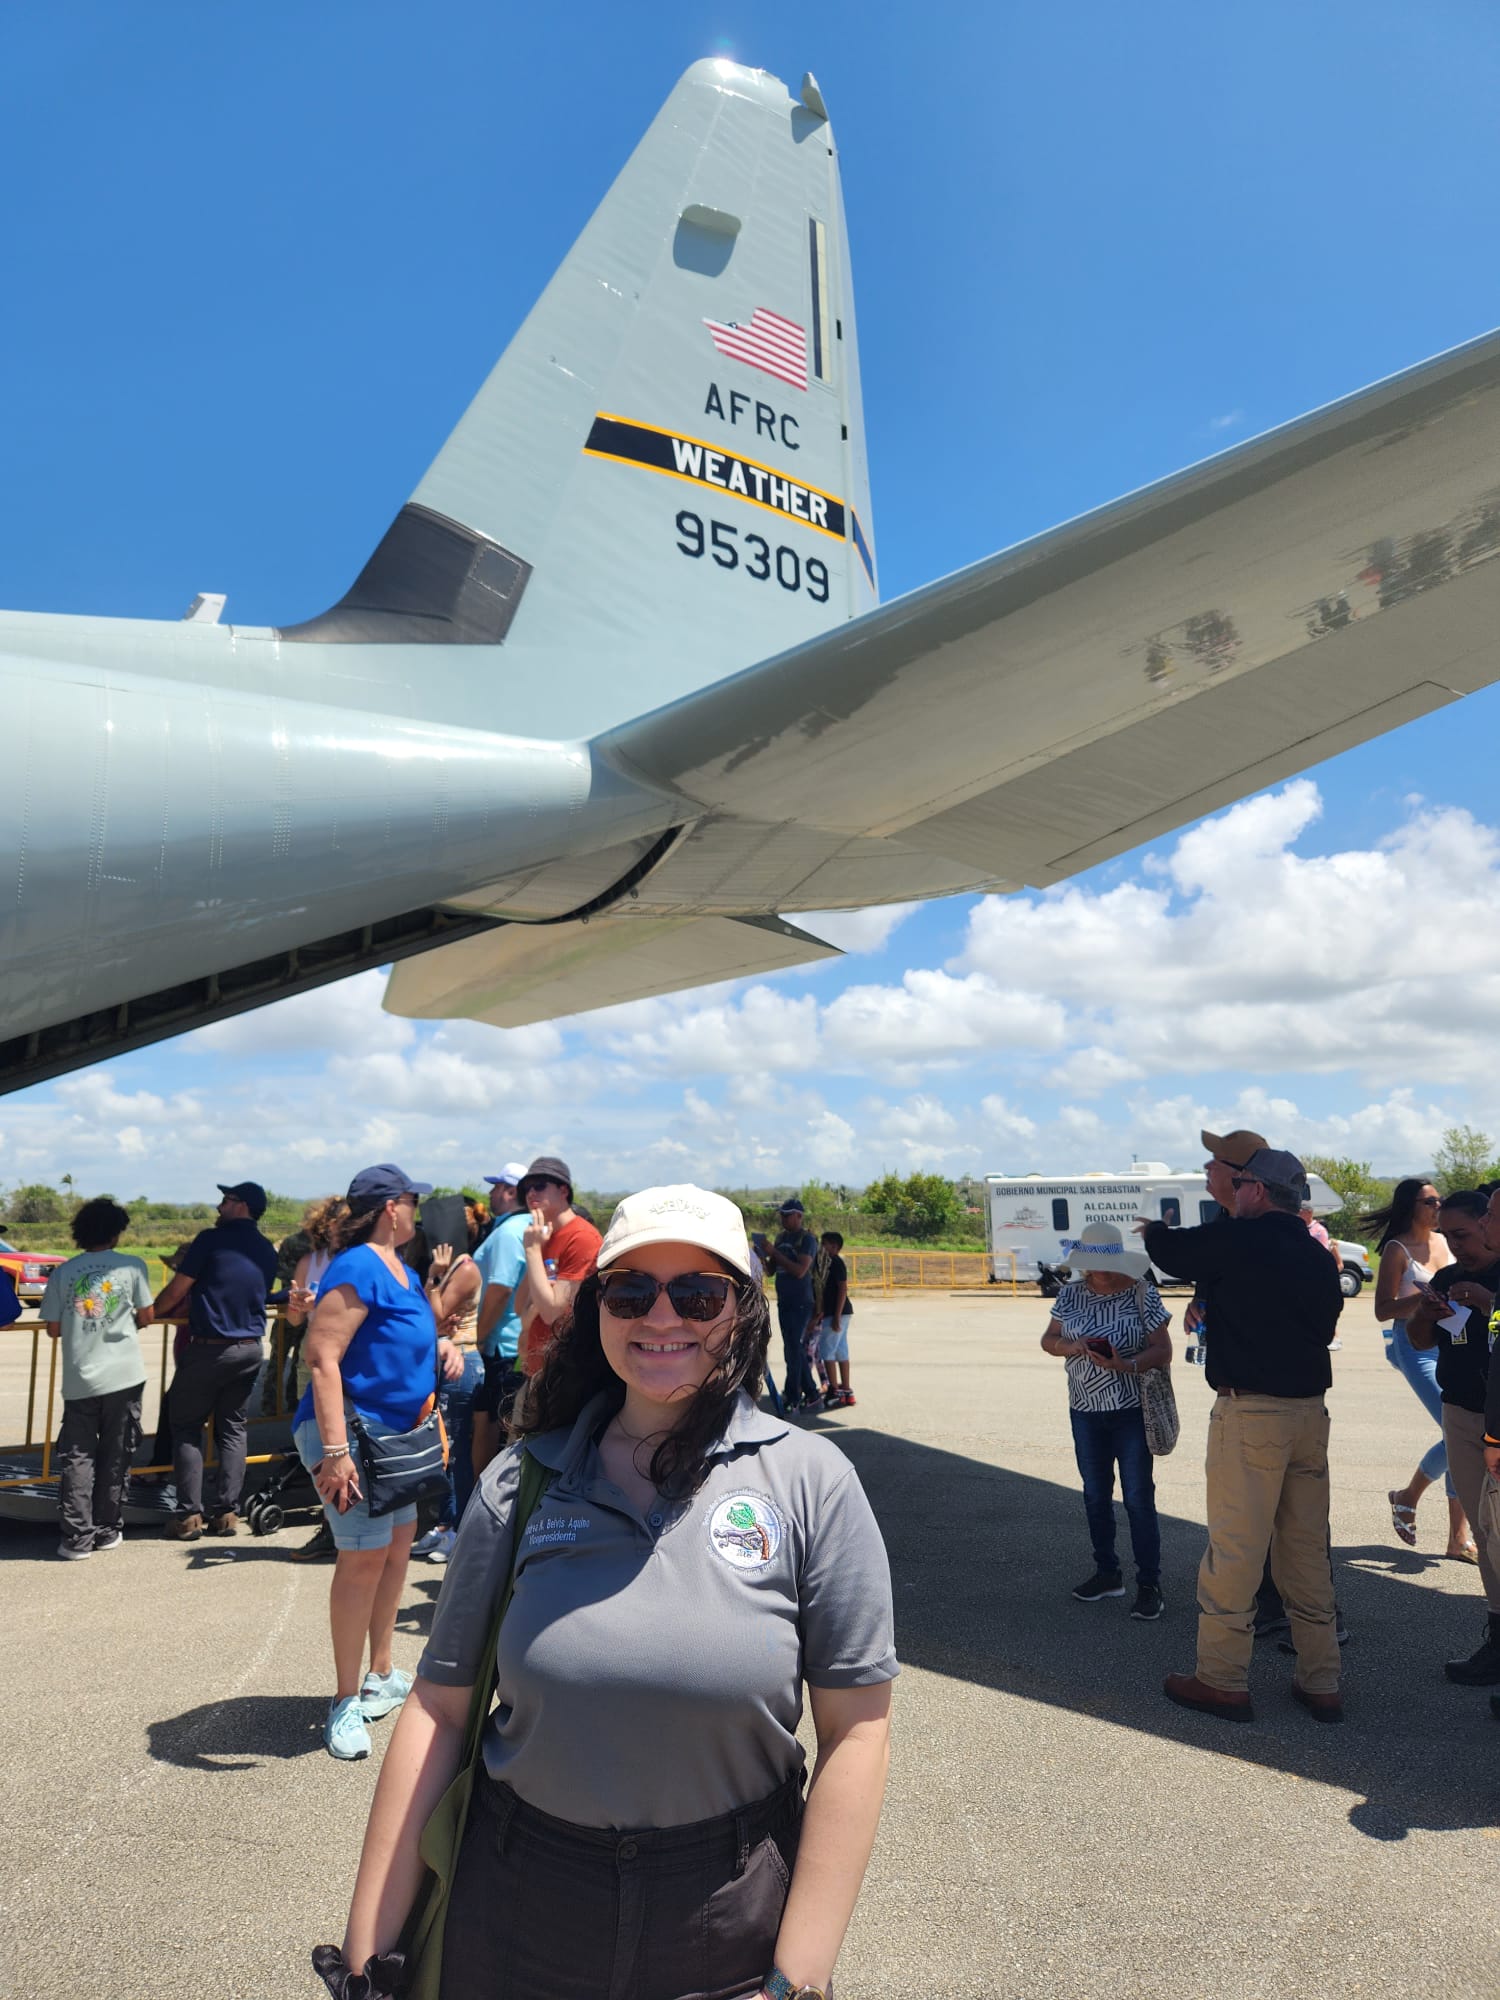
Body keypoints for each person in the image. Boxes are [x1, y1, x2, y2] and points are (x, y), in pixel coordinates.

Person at [322, 1183, 896, 2000]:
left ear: (742, 1311)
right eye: (631, 1292)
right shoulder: (522, 1480)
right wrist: (366, 1958)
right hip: (521, 1897)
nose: (661, 1318)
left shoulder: (813, 1482)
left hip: (727, 1917)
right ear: (598, 1308)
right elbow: (439, 1709)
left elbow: (857, 1734)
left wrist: (797, 1979)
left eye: (697, 1293)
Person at [1141, 1146, 1345, 1723]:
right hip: (1310, 1414)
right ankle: (1321, 1679)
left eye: (1240, 1185)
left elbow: (1172, 1252)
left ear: (1254, 1190)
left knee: (1235, 1548)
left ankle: (1223, 1679)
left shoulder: (1241, 1237)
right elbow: (1326, 1322)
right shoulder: (1314, 1252)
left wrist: (1154, 1225)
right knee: (1305, 1551)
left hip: (1252, 1413)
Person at [293, 1164, 464, 1761]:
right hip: (352, 1438)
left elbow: (408, 1334)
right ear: (392, 1206)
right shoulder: (361, 1264)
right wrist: (336, 1454)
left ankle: (383, 1672)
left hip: (397, 1436)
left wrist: (442, 1345)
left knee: (397, 1547)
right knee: (363, 1557)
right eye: (412, 1200)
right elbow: (322, 1357)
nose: (417, 1209)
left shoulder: (405, 1270)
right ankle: (344, 1701)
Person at [1040, 1223, 1171, 1621]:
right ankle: (1107, 1573)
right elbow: (1048, 1340)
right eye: (1092, 1266)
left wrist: (1125, 1364)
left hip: (1130, 1410)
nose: (1100, 1273)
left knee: (1137, 1499)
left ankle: (1149, 1583)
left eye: (1105, 1265)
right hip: (1084, 1410)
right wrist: (1070, 1346)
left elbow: (1163, 1350)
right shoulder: (1071, 1294)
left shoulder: (1140, 1292)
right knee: (1095, 1495)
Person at [1403, 1189, 1500, 1687]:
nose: (1456, 1245)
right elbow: (1419, 1341)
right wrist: (1425, 1313)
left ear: (1487, 1223)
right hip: (1461, 1415)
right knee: (1485, 1532)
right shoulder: (1446, 1278)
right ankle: (1496, 1640)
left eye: (1463, 1234)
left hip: (1498, 1420)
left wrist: (1489, 1304)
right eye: (1448, 1236)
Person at [154, 1180, 279, 1541]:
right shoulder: (265, 1249)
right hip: (250, 1347)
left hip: (210, 1347)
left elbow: (179, 1288)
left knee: (186, 1426)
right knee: (233, 1428)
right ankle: (226, 1513)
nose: (220, 1205)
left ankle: (188, 1515)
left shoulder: (209, 1239)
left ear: (242, 1205)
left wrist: (150, 1313)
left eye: (226, 1199)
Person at [40, 1198, 155, 1560]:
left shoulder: (63, 1272)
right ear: (117, 1231)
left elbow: (53, 1329)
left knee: (78, 1456)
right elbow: (147, 1315)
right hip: (124, 1374)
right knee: (116, 1453)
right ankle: (107, 1529)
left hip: (80, 1377)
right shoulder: (133, 1266)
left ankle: (76, 1537)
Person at [1367, 1178, 1474, 1560]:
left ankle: (1456, 1538)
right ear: (1411, 1205)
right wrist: (1424, 1298)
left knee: (1458, 1431)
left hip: (1451, 1340)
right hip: (1413, 1345)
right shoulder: (1397, 1251)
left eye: (1440, 1200)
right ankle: (1408, 1497)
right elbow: (1382, 1310)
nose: (1437, 1206)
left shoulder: (1445, 1242)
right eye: (1430, 1201)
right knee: (1455, 1430)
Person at [514, 1155, 602, 1380]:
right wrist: (533, 1251)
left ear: (564, 1191)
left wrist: (533, 1252)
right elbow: (518, 1307)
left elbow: (551, 1311)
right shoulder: (543, 1237)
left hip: (565, 1372)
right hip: (536, 1368)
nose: (531, 1193)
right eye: (526, 1188)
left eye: (540, 1185)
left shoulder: (581, 1237)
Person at [469, 1163, 530, 1477]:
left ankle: (481, 1499)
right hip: (517, 1343)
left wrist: (478, 1336)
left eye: (496, 1186)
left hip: (500, 1346)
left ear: (509, 1191)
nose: (491, 1193)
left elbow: (500, 1290)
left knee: (489, 1423)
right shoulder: (528, 1226)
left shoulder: (507, 1233)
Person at [764, 1197, 820, 1411]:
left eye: (787, 1215)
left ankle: (793, 1396)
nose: (783, 1219)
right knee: (793, 1349)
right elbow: (770, 1271)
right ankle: (812, 1393)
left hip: (800, 1301)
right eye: (782, 1215)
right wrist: (763, 1254)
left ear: (799, 1215)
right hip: (785, 1300)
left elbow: (800, 1271)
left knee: (793, 1349)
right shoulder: (780, 1238)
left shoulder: (807, 1240)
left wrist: (773, 1252)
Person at [813, 1230, 855, 1408]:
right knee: (840, 1351)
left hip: (838, 1312)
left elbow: (842, 1289)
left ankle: (834, 1390)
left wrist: (836, 1316)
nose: (822, 1247)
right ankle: (846, 1390)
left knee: (827, 1351)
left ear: (835, 1247)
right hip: (839, 1312)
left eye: (825, 1244)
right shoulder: (825, 1263)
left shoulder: (835, 1262)